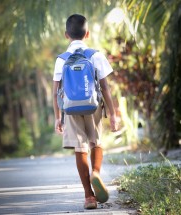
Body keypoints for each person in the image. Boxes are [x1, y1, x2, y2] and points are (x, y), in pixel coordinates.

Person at [52, 14, 118, 209]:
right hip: (93, 106)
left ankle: (89, 196)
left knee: (80, 148)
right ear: (87, 33)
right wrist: (113, 114)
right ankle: (96, 172)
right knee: (95, 143)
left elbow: (55, 91)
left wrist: (57, 117)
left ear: (66, 35)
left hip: (70, 108)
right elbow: (105, 88)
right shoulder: (95, 55)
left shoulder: (61, 60)